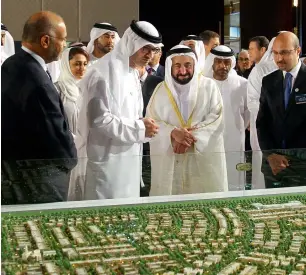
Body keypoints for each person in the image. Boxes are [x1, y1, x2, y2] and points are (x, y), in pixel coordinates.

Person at [77, 20, 162, 200]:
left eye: (154, 50)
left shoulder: (131, 72)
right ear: (132, 43)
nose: (150, 54)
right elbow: (98, 121)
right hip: (107, 165)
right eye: (145, 48)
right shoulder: (102, 72)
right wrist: (140, 128)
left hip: (129, 164)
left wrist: (144, 127)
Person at [1, 11, 77, 205]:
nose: (64, 46)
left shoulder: (11, 64)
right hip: (39, 181)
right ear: (45, 41)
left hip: (13, 175)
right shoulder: (38, 81)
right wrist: (71, 159)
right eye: (63, 39)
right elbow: (55, 137)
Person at [146, 45, 228, 196]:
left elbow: (217, 119)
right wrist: (172, 133)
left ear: (194, 66)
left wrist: (187, 138)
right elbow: (152, 122)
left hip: (201, 162)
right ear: (170, 66)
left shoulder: (209, 87)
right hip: (172, 159)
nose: (183, 71)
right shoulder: (160, 90)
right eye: (177, 65)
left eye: (187, 65)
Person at [257, 31, 306, 188]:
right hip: (274, 166)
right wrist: (271, 155)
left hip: (302, 166)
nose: (279, 58)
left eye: (284, 52)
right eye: (275, 53)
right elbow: (262, 123)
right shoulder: (269, 81)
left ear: (298, 51)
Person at [205, 45, 249, 189]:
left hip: (235, 140)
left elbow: (248, 113)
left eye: (226, 62)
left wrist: (236, 128)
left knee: (235, 176)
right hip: (208, 140)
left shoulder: (242, 84)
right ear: (212, 62)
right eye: (218, 61)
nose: (222, 66)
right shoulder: (203, 84)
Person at [55, 46, 89, 201]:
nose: (81, 68)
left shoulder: (88, 88)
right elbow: (56, 121)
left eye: (84, 64)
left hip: (87, 150)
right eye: (77, 64)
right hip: (67, 149)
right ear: (66, 64)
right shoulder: (58, 89)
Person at [247, 36, 279, 189]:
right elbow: (252, 102)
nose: (280, 56)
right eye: (277, 51)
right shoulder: (260, 70)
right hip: (264, 128)